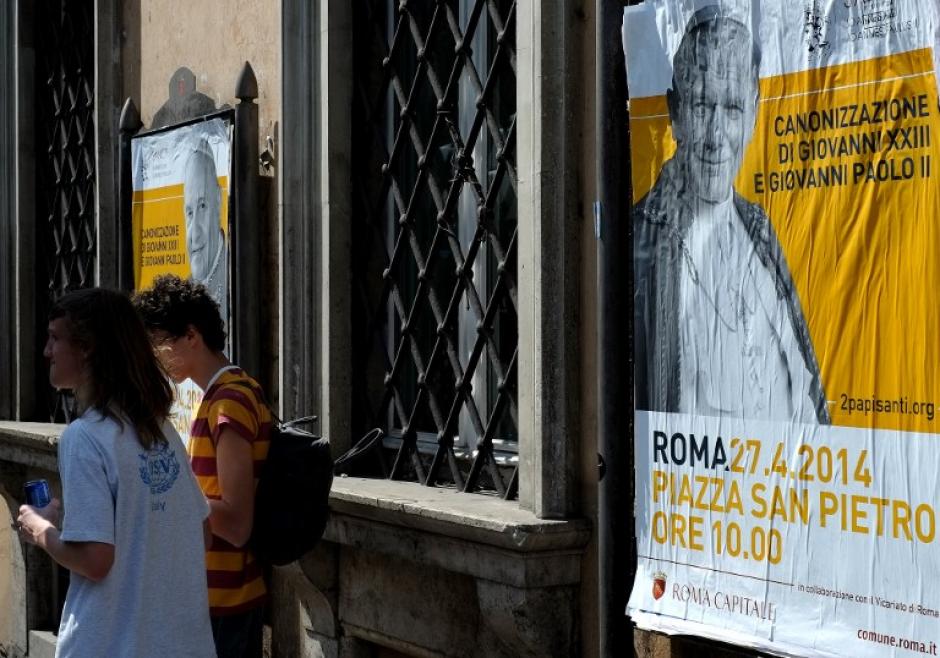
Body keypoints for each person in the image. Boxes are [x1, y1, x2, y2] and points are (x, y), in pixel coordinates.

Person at [632, 5, 830, 424]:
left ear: (754, 114)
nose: (716, 138)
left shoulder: (759, 229)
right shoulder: (640, 237)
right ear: (676, 113)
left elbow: (806, 387)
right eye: (702, 106)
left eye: (733, 109)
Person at [16, 288, 216, 658]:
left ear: (87, 347)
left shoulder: (85, 437)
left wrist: (41, 530)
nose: (46, 351)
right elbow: (200, 531)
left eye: (55, 338)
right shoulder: (159, 429)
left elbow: (95, 561)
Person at [133, 274, 271, 658]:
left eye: (157, 343)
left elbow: (237, 522)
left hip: (226, 601)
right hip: (211, 597)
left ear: (190, 336)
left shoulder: (229, 401)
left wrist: (167, 497)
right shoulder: (223, 395)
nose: (152, 356)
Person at [183, 139, 228, 322]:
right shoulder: (182, 292)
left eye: (202, 206)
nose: (194, 233)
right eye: (189, 212)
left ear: (218, 200)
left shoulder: (234, 276)